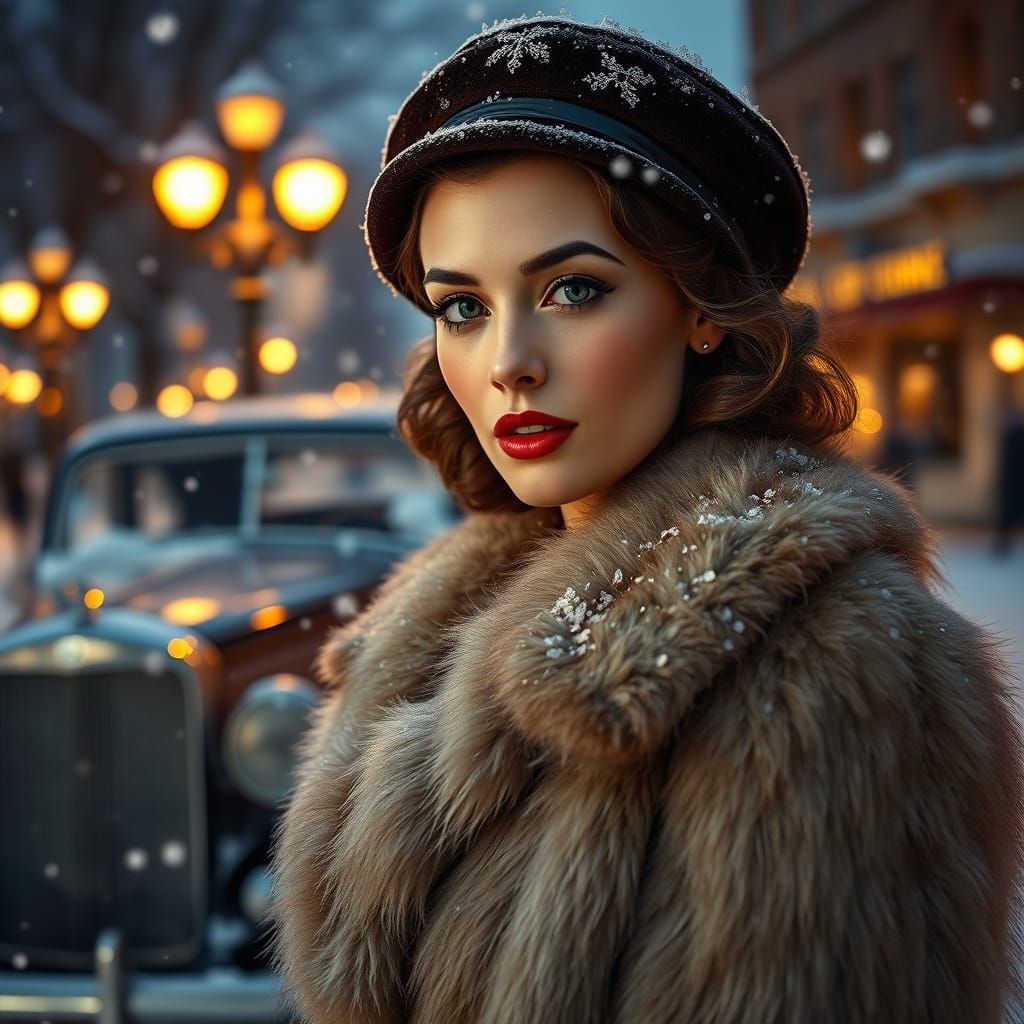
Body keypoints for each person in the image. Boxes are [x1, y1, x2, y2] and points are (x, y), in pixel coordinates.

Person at [269, 15, 1023, 1023]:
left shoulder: (829, 668)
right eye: (462, 307)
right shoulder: (453, 625)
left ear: (699, 305)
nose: (506, 361)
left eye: (572, 289)